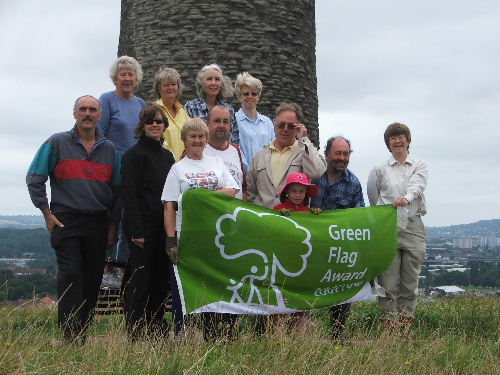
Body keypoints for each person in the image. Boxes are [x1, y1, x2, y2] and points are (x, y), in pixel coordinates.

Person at [26, 95, 121, 343]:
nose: (87, 114)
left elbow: (118, 190)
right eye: (83, 109)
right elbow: (35, 177)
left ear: (99, 115)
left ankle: (83, 331)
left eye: (92, 110)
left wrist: (113, 225)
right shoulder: (56, 142)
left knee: (91, 279)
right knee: (70, 274)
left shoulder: (109, 149)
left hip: (98, 221)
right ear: (75, 114)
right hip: (65, 219)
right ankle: (70, 333)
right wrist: (46, 212)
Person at [161, 117, 239, 341]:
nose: (197, 140)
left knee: (212, 285)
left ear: (207, 139)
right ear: (185, 139)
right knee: (183, 288)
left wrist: (201, 196)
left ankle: (213, 334)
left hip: (214, 235)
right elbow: (169, 206)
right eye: (193, 136)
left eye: (201, 136)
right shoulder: (178, 169)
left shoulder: (216, 162)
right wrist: (170, 240)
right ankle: (182, 333)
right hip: (186, 237)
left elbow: (232, 189)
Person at [121, 103, 175, 340]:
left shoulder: (168, 156)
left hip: (164, 226)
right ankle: (136, 329)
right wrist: (136, 230)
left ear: (164, 126)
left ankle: (156, 326)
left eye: (159, 121)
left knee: (160, 280)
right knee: (140, 280)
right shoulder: (133, 155)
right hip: (141, 228)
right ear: (142, 126)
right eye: (150, 121)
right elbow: (129, 195)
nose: (155, 125)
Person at [367, 122, 428, 329]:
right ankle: (389, 327)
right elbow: (374, 198)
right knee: (387, 282)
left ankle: (406, 326)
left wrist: (406, 198)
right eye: (392, 138)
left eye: (400, 136)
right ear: (388, 143)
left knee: (410, 282)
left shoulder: (419, 165)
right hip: (388, 227)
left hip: (413, 225)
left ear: (408, 140)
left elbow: (418, 185)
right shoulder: (379, 170)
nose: (397, 140)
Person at [97, 55, 146, 287]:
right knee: (113, 219)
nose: (127, 78)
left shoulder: (140, 104)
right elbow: (99, 133)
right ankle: (110, 272)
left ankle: (127, 270)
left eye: (131, 74)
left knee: (131, 219)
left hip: (136, 171)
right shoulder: (107, 100)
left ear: (136, 79)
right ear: (115, 77)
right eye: (123, 74)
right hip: (113, 170)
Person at [310, 136, 365, 340]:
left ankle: (336, 335)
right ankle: (298, 335)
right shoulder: (312, 176)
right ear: (327, 155)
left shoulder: (354, 184)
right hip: (309, 247)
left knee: (340, 295)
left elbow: (359, 219)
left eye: (346, 154)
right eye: (338, 153)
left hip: (337, 250)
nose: (342, 158)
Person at [247, 102, 326, 209]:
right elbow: (251, 192)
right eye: (281, 125)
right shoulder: (259, 155)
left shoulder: (305, 152)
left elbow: (316, 172)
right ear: (275, 126)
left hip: (293, 221)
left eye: (291, 126)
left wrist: (304, 139)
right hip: (263, 220)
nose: (285, 129)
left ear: (298, 127)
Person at [272, 172, 320, 333]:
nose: (298, 195)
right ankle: (277, 339)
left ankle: (300, 341)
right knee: (281, 301)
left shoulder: (310, 212)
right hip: (282, 263)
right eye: (294, 191)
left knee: (300, 304)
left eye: (301, 191)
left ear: (306, 193)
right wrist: (279, 216)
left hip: (302, 267)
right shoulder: (277, 210)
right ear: (286, 192)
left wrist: (317, 218)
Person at [184, 63, 240, 146]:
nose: (213, 83)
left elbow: (234, 140)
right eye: (209, 79)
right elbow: (186, 137)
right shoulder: (191, 107)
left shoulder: (229, 109)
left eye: (217, 79)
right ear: (202, 83)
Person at [204, 105, 247, 200]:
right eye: (217, 121)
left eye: (225, 122)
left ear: (231, 126)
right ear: (207, 124)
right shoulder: (198, 149)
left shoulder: (235, 150)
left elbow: (243, 188)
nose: (221, 125)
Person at [234, 72, 274, 169]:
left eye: (254, 94)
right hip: (243, 175)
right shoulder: (234, 120)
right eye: (246, 94)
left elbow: (274, 149)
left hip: (266, 175)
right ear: (240, 96)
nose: (250, 96)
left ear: (258, 96)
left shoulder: (267, 122)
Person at [153, 67, 191, 161]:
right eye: (166, 85)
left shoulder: (183, 113)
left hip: (185, 165)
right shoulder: (154, 111)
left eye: (173, 84)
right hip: (163, 164)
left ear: (178, 87)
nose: (170, 88)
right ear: (159, 88)